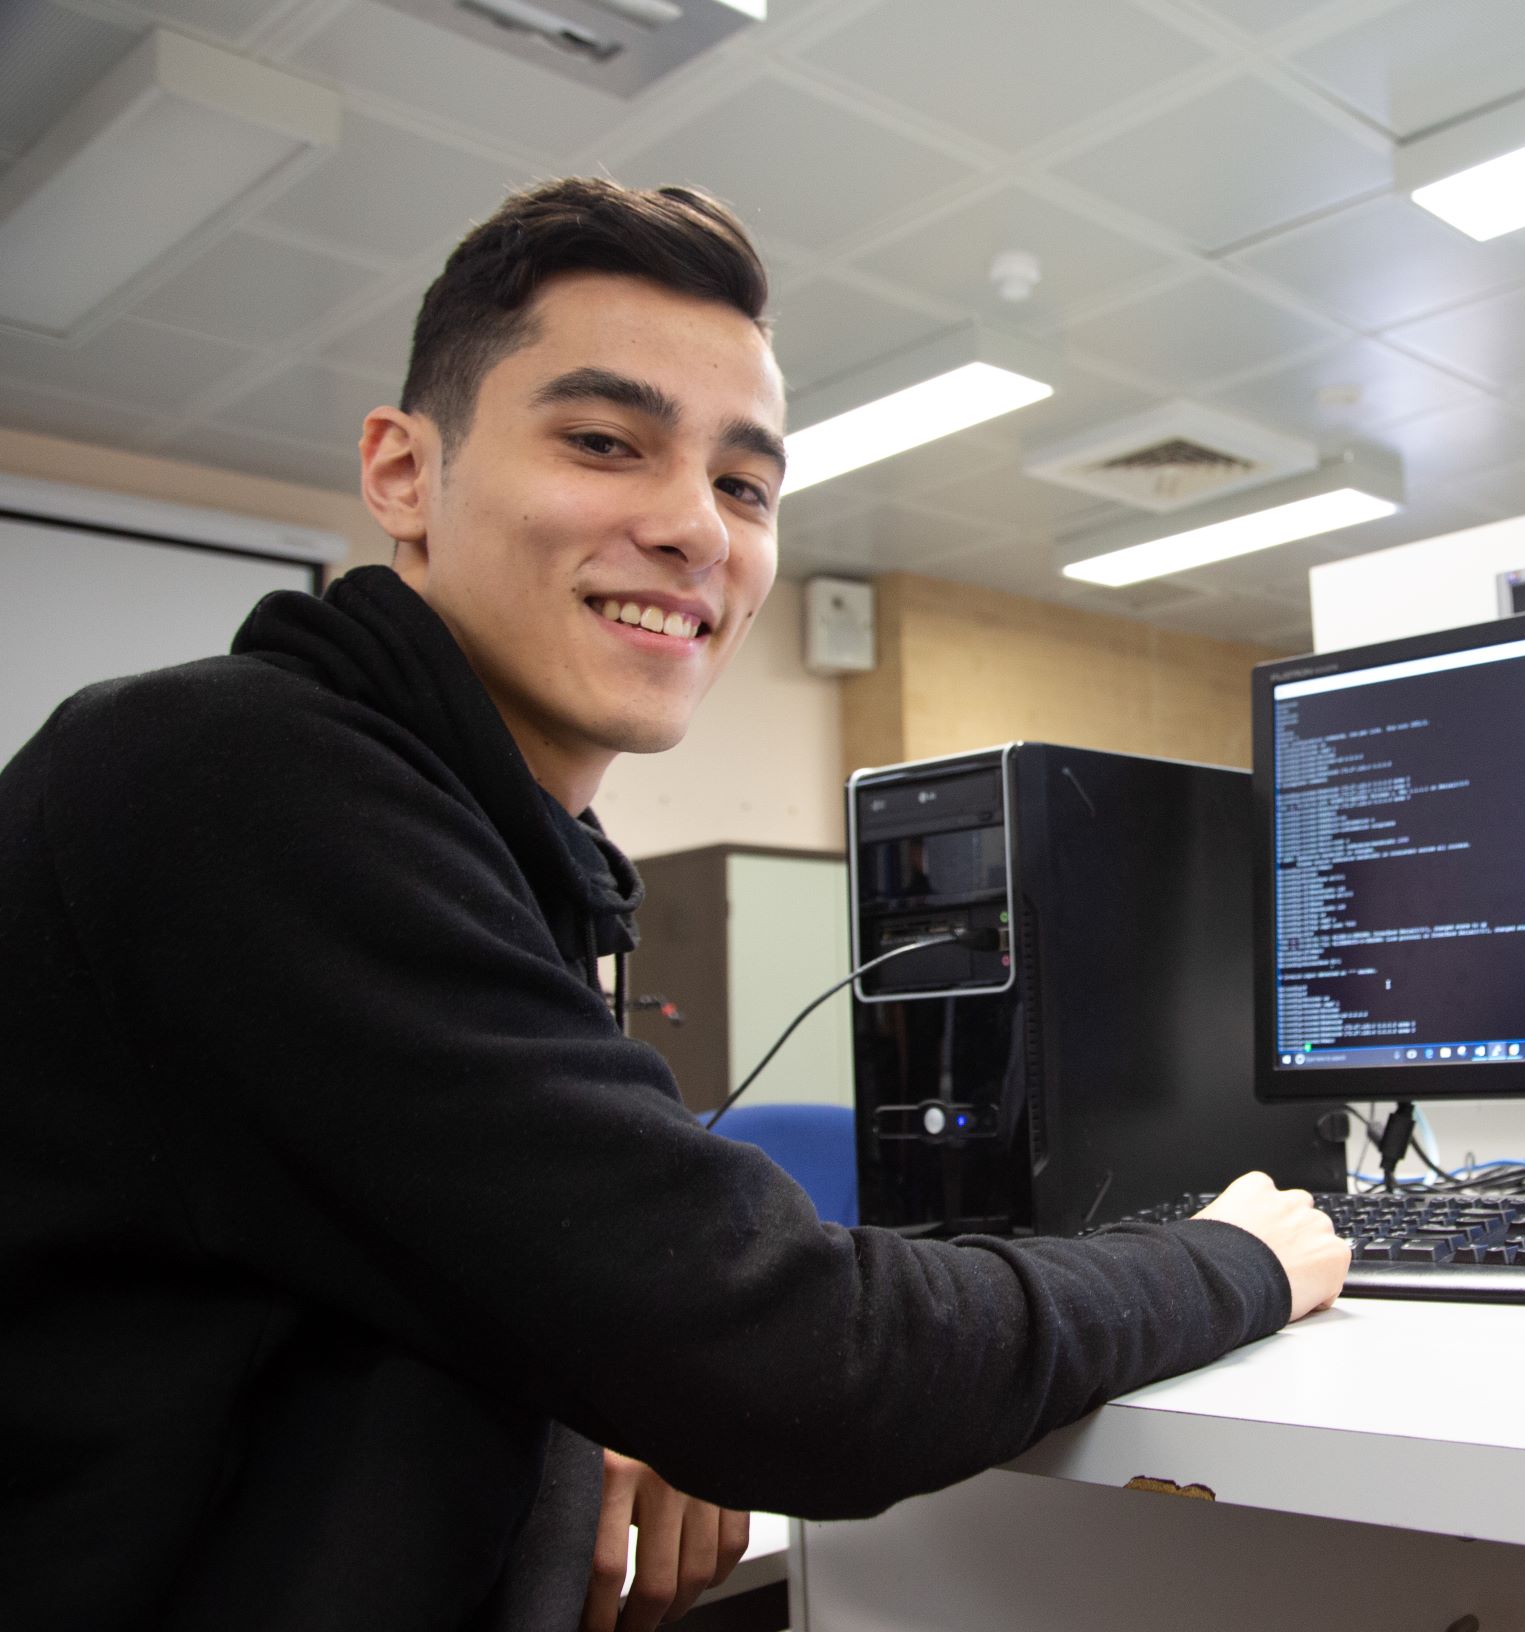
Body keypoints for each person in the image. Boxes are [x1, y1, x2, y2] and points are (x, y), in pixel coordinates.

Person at [0, 178, 1349, 1632]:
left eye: (743, 485)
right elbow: (805, 1367)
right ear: (402, 470)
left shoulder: (478, 832)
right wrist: (1232, 1260)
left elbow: (422, 1276)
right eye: (601, 442)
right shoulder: (232, 776)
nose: (694, 530)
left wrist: (593, 1393)